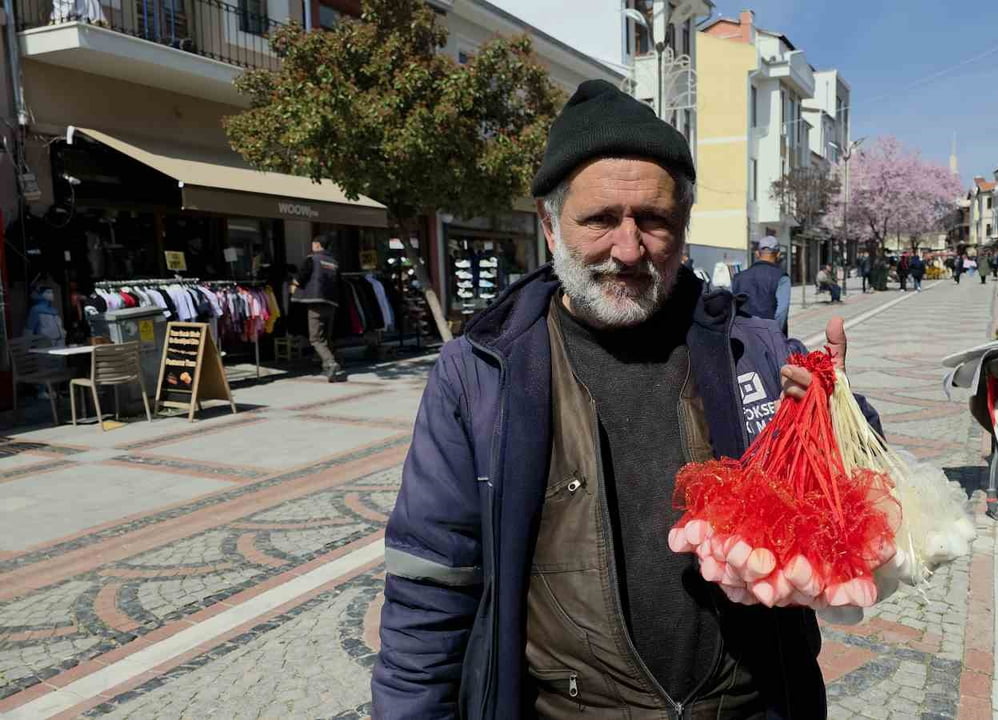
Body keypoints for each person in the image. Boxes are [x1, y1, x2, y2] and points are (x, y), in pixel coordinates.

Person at [372, 79, 883, 719]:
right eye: (600, 220)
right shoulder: (480, 374)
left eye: (654, 220)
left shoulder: (752, 349)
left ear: (683, 224)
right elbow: (432, 583)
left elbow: (855, 505)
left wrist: (834, 417)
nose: (628, 248)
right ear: (551, 227)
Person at [291, 233, 343, 381]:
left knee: (315, 339)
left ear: (318, 245)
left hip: (316, 303)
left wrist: (294, 285)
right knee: (326, 337)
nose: (312, 246)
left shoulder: (312, 259)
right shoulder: (334, 262)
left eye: (313, 244)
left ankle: (331, 362)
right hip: (331, 303)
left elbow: (302, 275)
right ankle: (326, 367)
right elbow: (339, 283)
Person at [732, 234, 791, 334]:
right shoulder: (782, 277)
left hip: (742, 335)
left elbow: (731, 307)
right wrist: (775, 334)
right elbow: (781, 312)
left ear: (757, 254)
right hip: (769, 336)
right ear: (778, 254)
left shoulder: (738, 277)